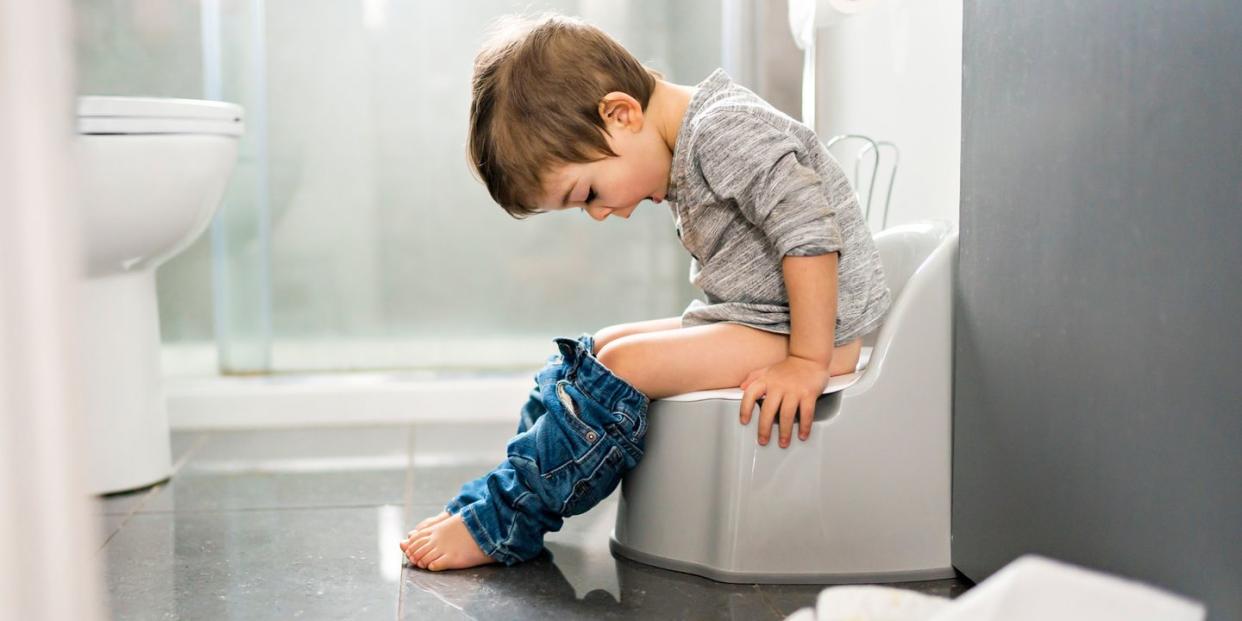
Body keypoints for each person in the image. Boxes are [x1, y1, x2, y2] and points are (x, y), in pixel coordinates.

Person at [399, 12, 891, 571]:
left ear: (620, 114)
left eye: (587, 192)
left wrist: (807, 359)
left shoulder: (721, 129)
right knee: (596, 352)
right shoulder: (699, 134)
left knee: (622, 365)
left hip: (812, 333)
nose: (600, 214)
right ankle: (501, 494)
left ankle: (506, 519)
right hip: (763, 320)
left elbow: (808, 227)